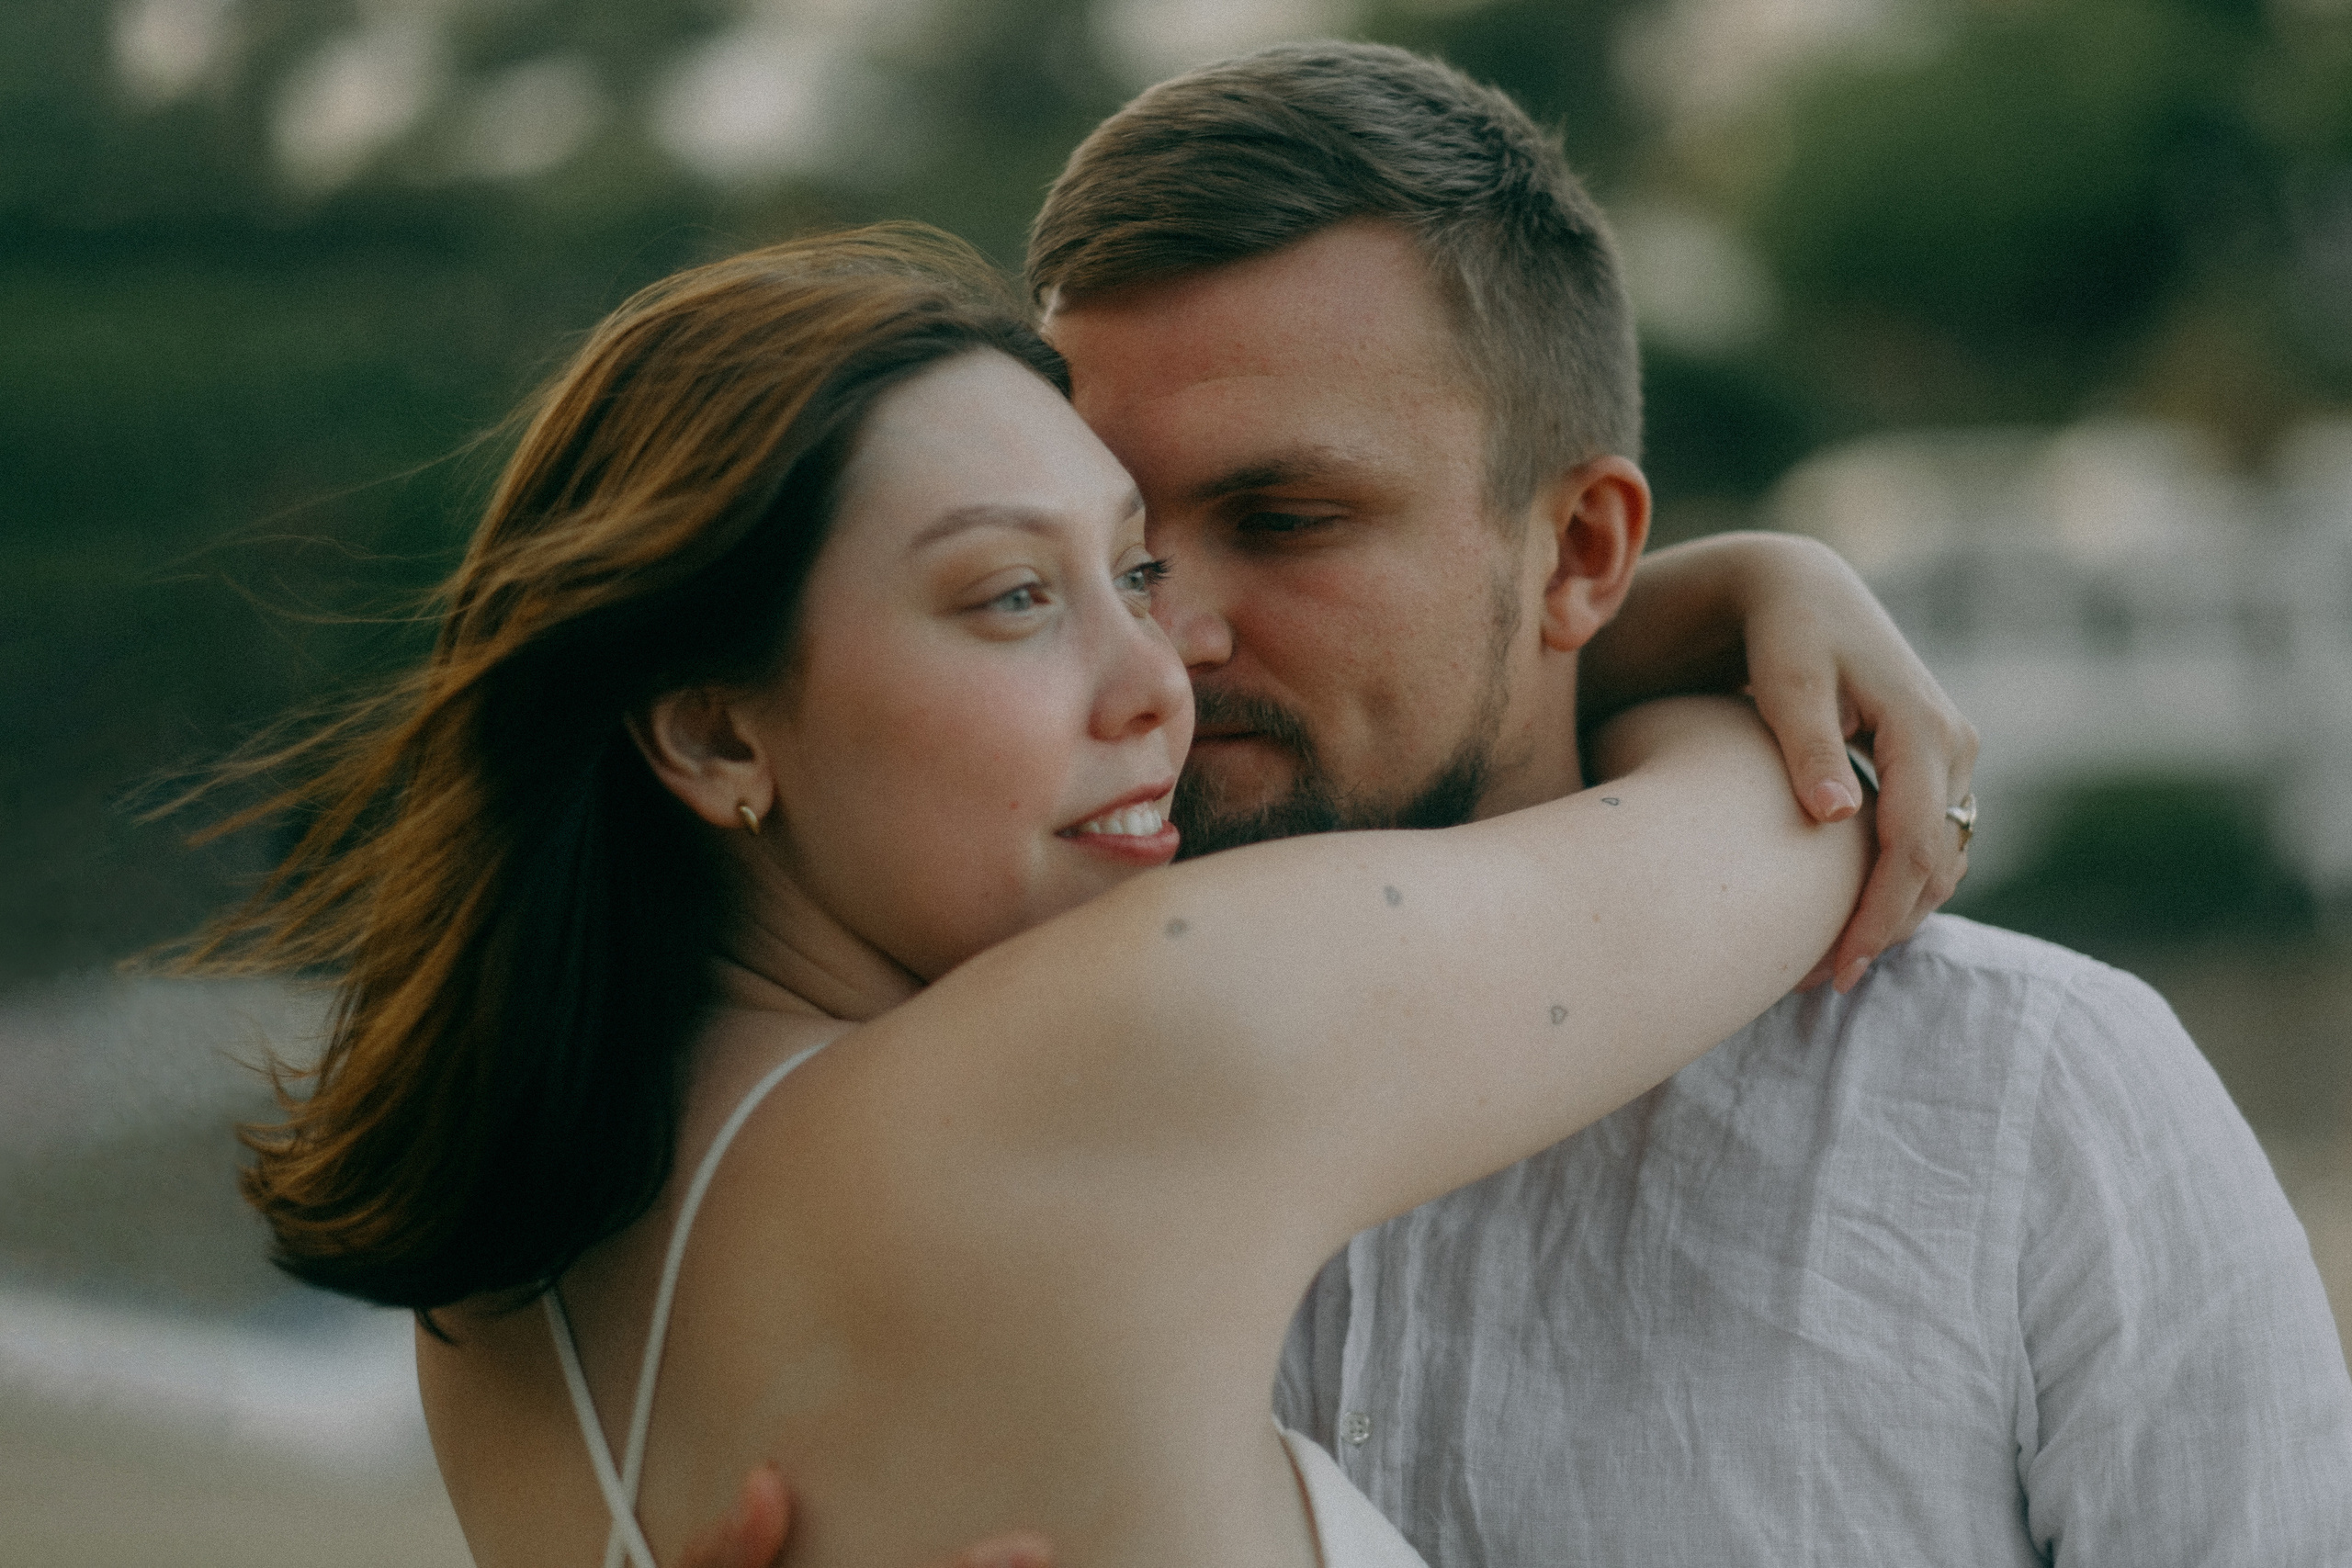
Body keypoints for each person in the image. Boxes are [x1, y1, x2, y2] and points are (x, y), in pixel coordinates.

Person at [695, 38, 2352, 1568]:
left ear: (1579, 553)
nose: (1161, 642)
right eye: (1112, 556)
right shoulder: (934, 1122)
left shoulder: (2026, 1109)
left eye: (1284, 518)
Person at [197, 224, 1889, 1566]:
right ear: (714, 727)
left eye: (1129, 571)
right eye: (1013, 597)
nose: (1162, 673)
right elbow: (1793, 826)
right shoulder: (1117, 1048)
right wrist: (1738, 595)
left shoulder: (502, 1299)